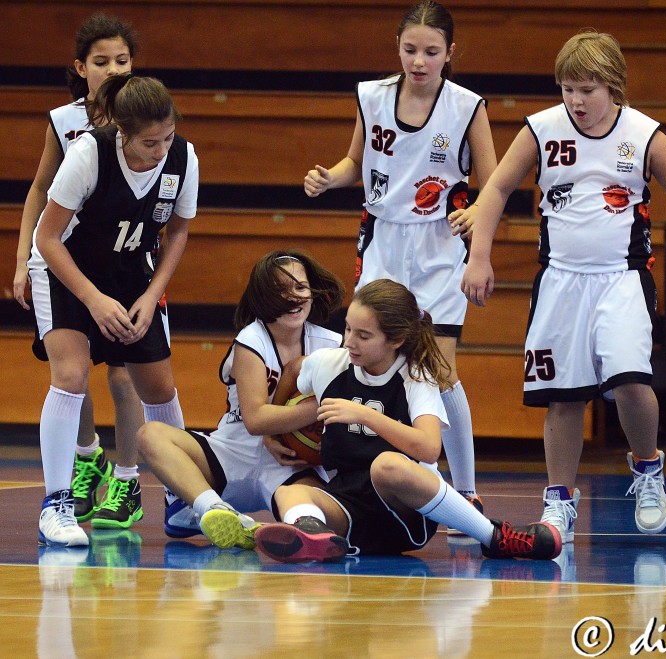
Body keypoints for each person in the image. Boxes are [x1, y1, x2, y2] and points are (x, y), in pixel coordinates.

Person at [451, 31, 666, 543]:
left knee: (631, 381)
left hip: (622, 278)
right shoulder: (541, 129)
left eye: (587, 90)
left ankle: (649, 468)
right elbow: (496, 187)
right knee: (564, 398)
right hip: (559, 281)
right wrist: (479, 257)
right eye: (568, 88)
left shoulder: (645, 134)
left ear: (613, 86)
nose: (576, 100)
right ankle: (560, 502)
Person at [303, 1, 497, 519]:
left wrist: (477, 215)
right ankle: (371, 472)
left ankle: (466, 491)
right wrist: (331, 178)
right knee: (379, 358)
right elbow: (356, 161)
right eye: (410, 49)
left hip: (439, 245)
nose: (419, 61)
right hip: (384, 240)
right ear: (397, 47)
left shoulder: (467, 106)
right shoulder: (372, 96)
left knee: (441, 370)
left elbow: (493, 182)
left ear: (450, 53)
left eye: (431, 51)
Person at [248, 279, 561, 563]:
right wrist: (274, 435)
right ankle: (312, 534)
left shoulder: (415, 376)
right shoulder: (330, 365)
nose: (350, 342)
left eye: (363, 335)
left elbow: (428, 448)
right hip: (348, 506)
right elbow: (293, 369)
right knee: (287, 491)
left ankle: (493, 537)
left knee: (387, 465)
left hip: (406, 512)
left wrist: (364, 414)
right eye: (348, 329)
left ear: (395, 340)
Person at [33, 73, 199, 546]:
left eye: (167, 137)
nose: (161, 150)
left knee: (158, 387)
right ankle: (57, 505)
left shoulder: (184, 158)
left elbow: (178, 231)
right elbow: (47, 237)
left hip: (131, 272)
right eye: (150, 142)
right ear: (122, 133)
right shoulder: (89, 154)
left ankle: (183, 497)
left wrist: (150, 295)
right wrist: (92, 298)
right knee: (71, 375)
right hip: (66, 268)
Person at [14, 13, 149, 530]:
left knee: (125, 371)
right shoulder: (63, 121)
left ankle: (128, 478)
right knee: (71, 370)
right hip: (66, 260)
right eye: (101, 61)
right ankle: (88, 455)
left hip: (126, 260)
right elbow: (39, 190)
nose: (113, 69)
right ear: (80, 67)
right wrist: (23, 258)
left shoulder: (148, 117)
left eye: (122, 60)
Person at [137, 250, 345, 549]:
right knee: (150, 435)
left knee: (313, 505)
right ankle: (213, 509)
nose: (294, 298)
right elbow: (256, 420)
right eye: (281, 291)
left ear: (313, 291)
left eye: (300, 287)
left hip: (290, 464)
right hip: (232, 453)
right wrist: (323, 408)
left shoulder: (332, 344)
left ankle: (305, 531)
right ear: (263, 298)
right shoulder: (252, 339)